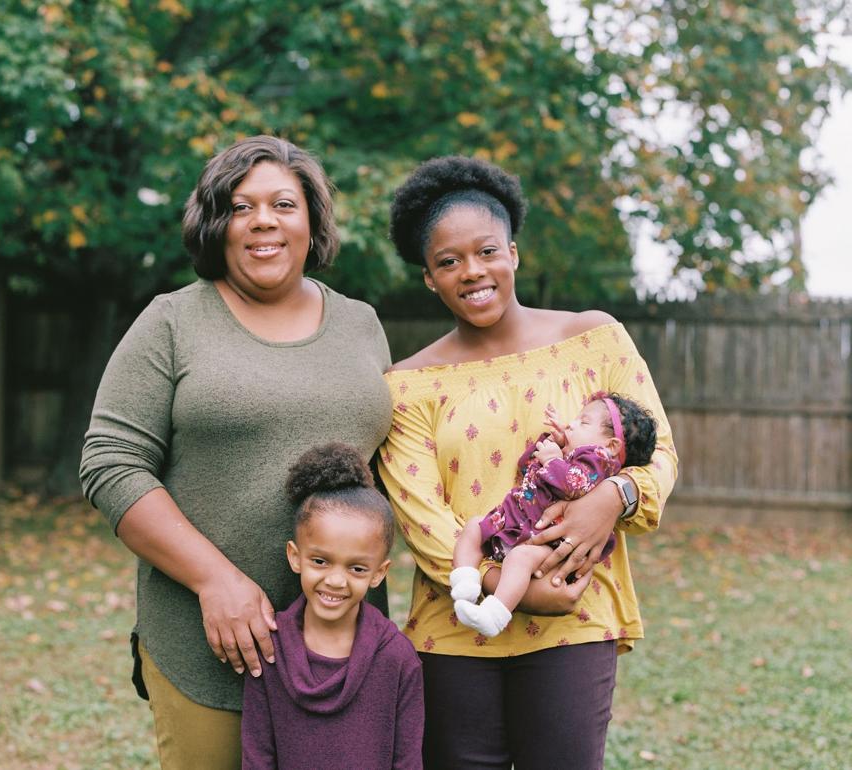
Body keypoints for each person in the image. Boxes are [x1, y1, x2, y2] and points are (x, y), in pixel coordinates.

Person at [79, 136, 394, 769]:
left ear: (312, 221)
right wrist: (214, 580)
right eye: (240, 207)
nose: (263, 221)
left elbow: (395, 463)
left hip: (342, 648)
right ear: (215, 225)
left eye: (284, 204)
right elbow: (111, 462)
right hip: (208, 647)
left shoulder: (361, 324)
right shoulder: (171, 322)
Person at [377, 155, 678, 769]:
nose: (472, 271)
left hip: (574, 613)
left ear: (513, 252)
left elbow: (659, 454)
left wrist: (612, 498)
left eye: (487, 251)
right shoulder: (407, 385)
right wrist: (508, 588)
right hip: (455, 625)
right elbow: (421, 518)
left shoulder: (593, 339)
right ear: (429, 278)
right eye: (448, 261)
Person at [241, 443, 424, 770]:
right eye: (320, 561)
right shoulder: (269, 649)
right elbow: (257, 757)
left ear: (379, 573)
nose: (336, 580)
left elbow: (407, 761)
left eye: (357, 568)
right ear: (295, 557)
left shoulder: (397, 657)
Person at [451, 393, 658, 637]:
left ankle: (495, 614)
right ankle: (465, 584)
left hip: (550, 541)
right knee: (475, 526)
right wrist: (552, 444)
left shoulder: (599, 462)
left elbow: (573, 485)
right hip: (518, 523)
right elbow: (526, 465)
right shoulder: (568, 455)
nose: (571, 424)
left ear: (611, 446)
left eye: (583, 422)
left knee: (519, 558)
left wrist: (553, 459)